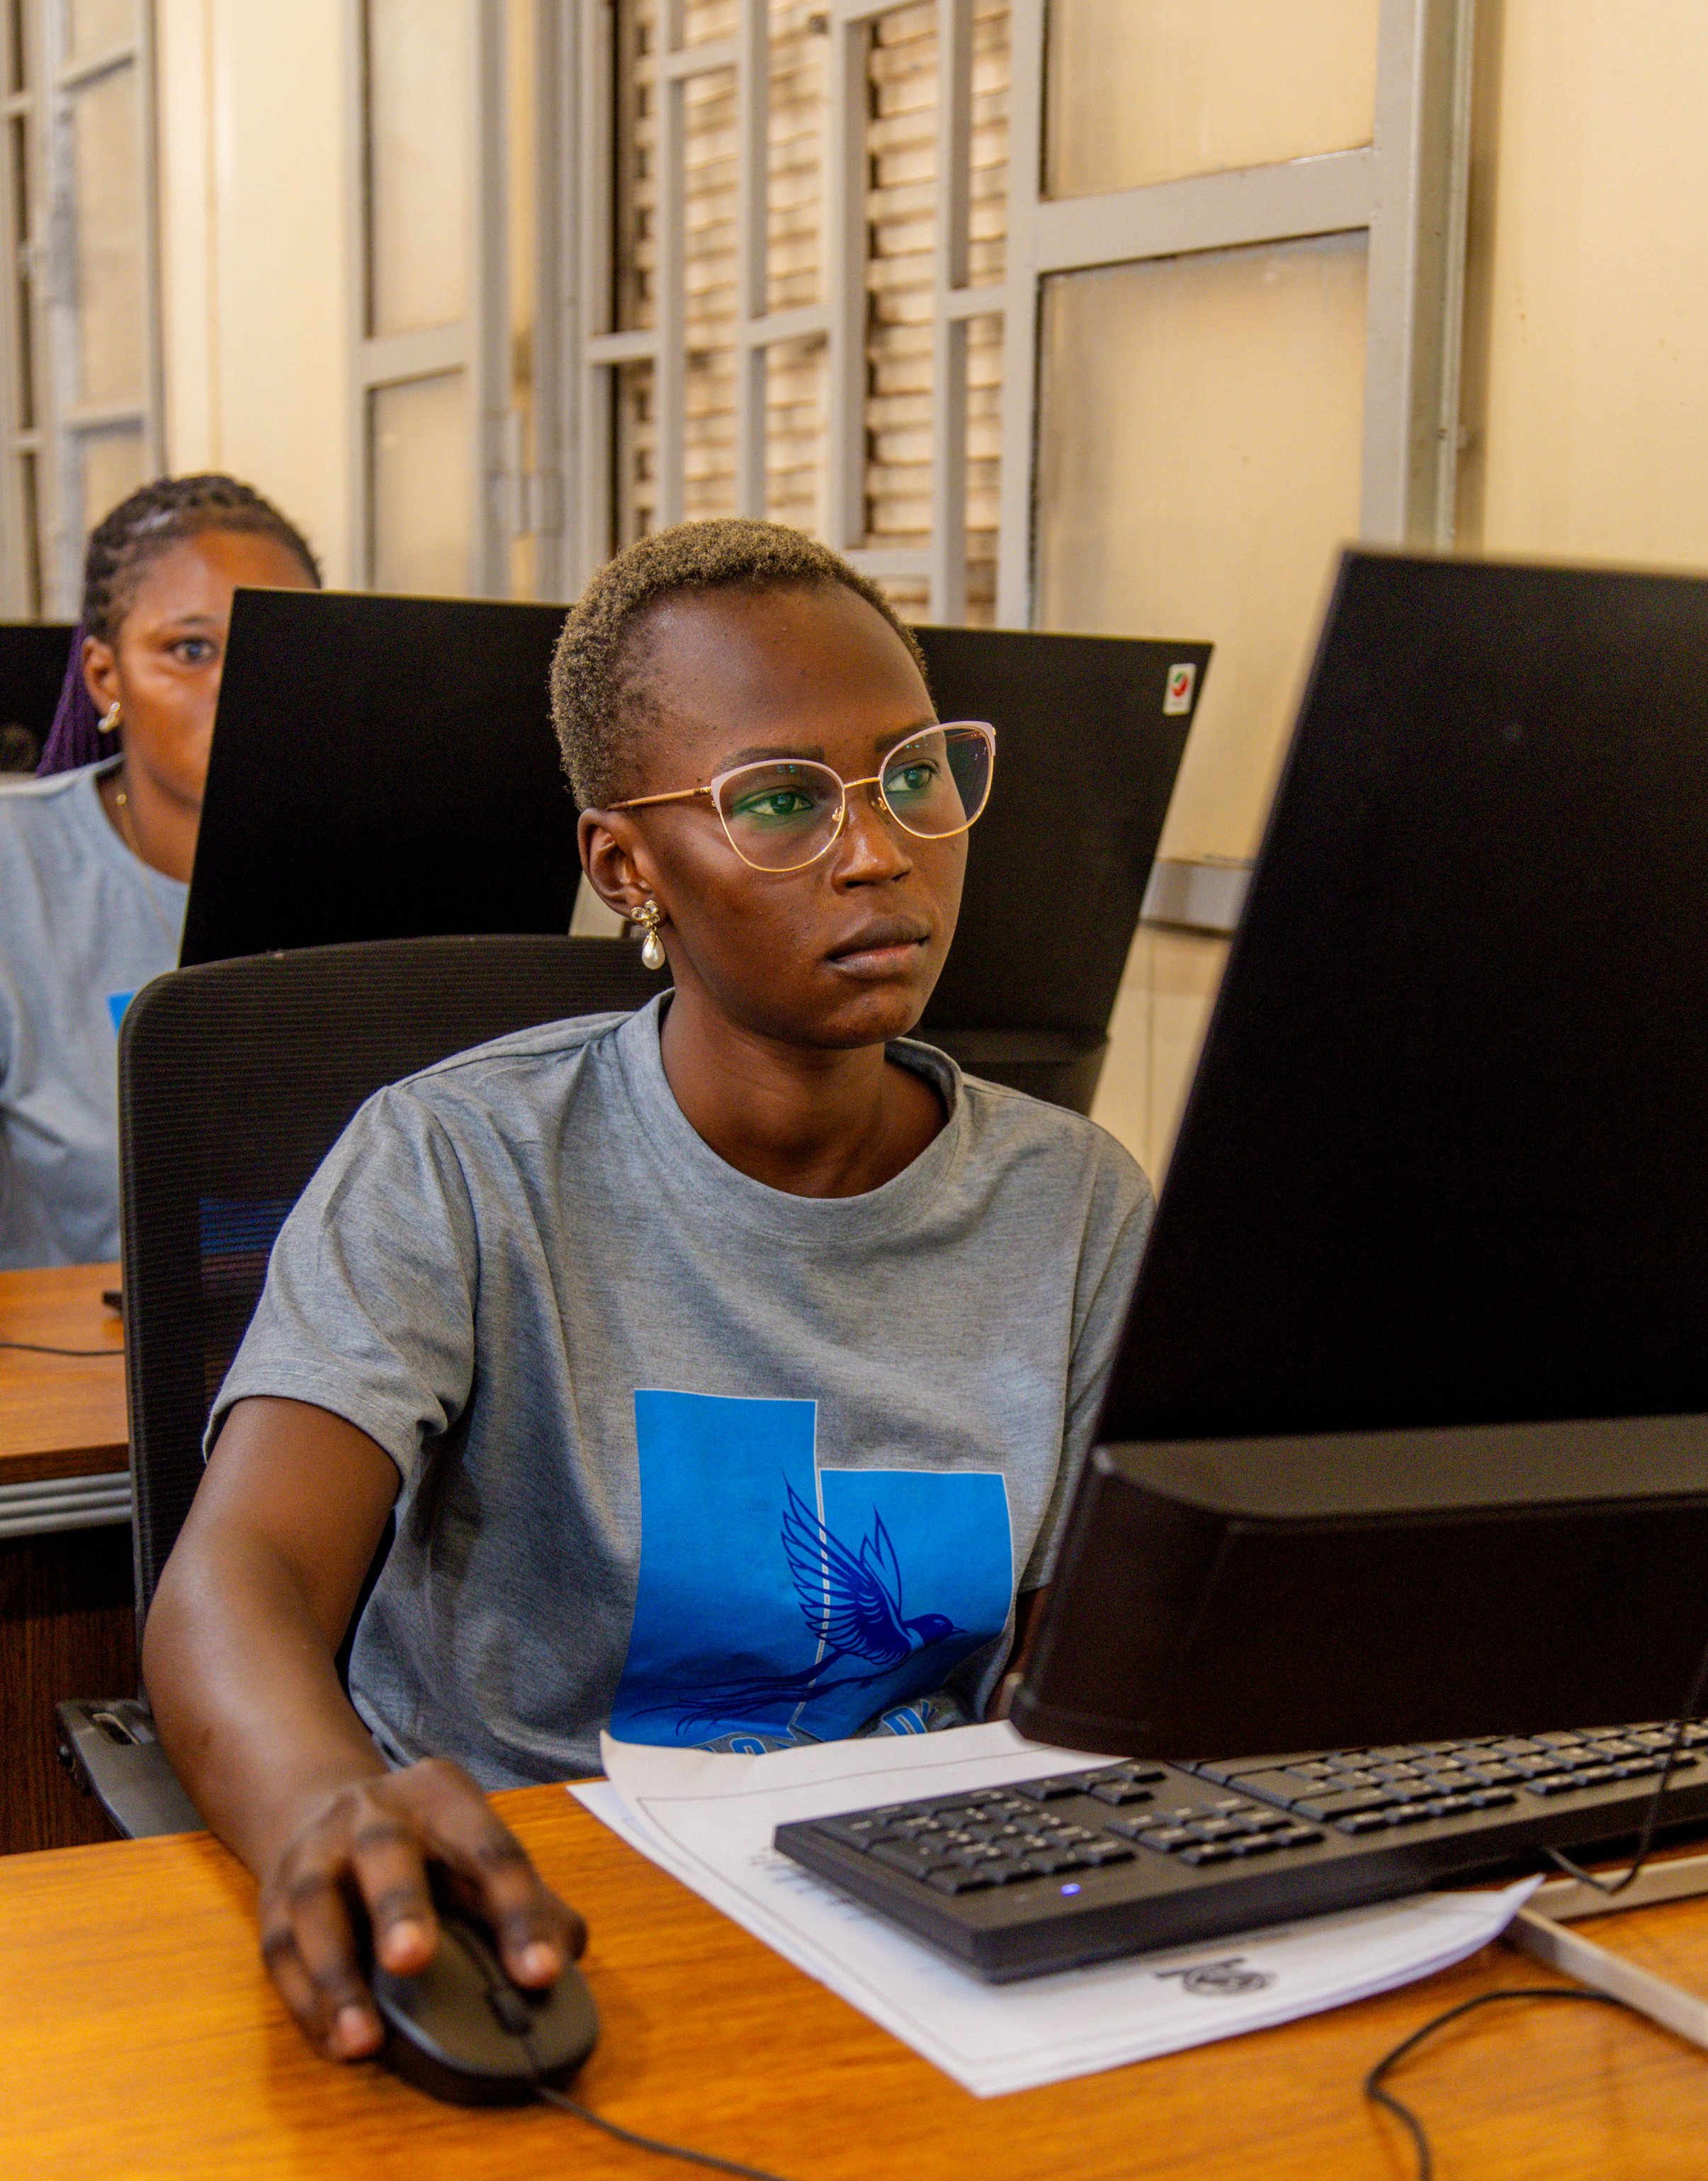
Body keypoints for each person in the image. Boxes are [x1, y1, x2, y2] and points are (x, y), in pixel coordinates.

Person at [142, 518, 1153, 2063]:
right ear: (626, 866)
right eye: (775, 802)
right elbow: (240, 1576)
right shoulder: (456, 1163)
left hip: (914, 1930)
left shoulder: (1071, 1203)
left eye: (912, 774)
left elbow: (1099, 1661)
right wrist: (324, 1810)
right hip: (539, 1922)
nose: (876, 849)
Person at [0, 475, 321, 1267]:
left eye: (276, 648)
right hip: (75, 1361)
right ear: (105, 678)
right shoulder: (18, 869)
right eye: (191, 650)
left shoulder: (407, 865)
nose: (238, 682)